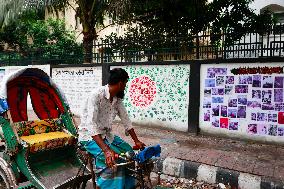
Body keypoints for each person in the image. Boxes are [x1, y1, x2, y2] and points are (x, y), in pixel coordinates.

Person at [78, 68, 145, 189]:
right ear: (120, 83)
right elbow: (91, 125)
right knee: (115, 159)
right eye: (125, 83)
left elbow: (126, 120)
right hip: (89, 137)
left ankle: (127, 185)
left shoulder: (116, 99)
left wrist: (136, 141)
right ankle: (102, 186)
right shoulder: (96, 95)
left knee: (129, 152)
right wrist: (106, 150)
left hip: (107, 135)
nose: (125, 86)